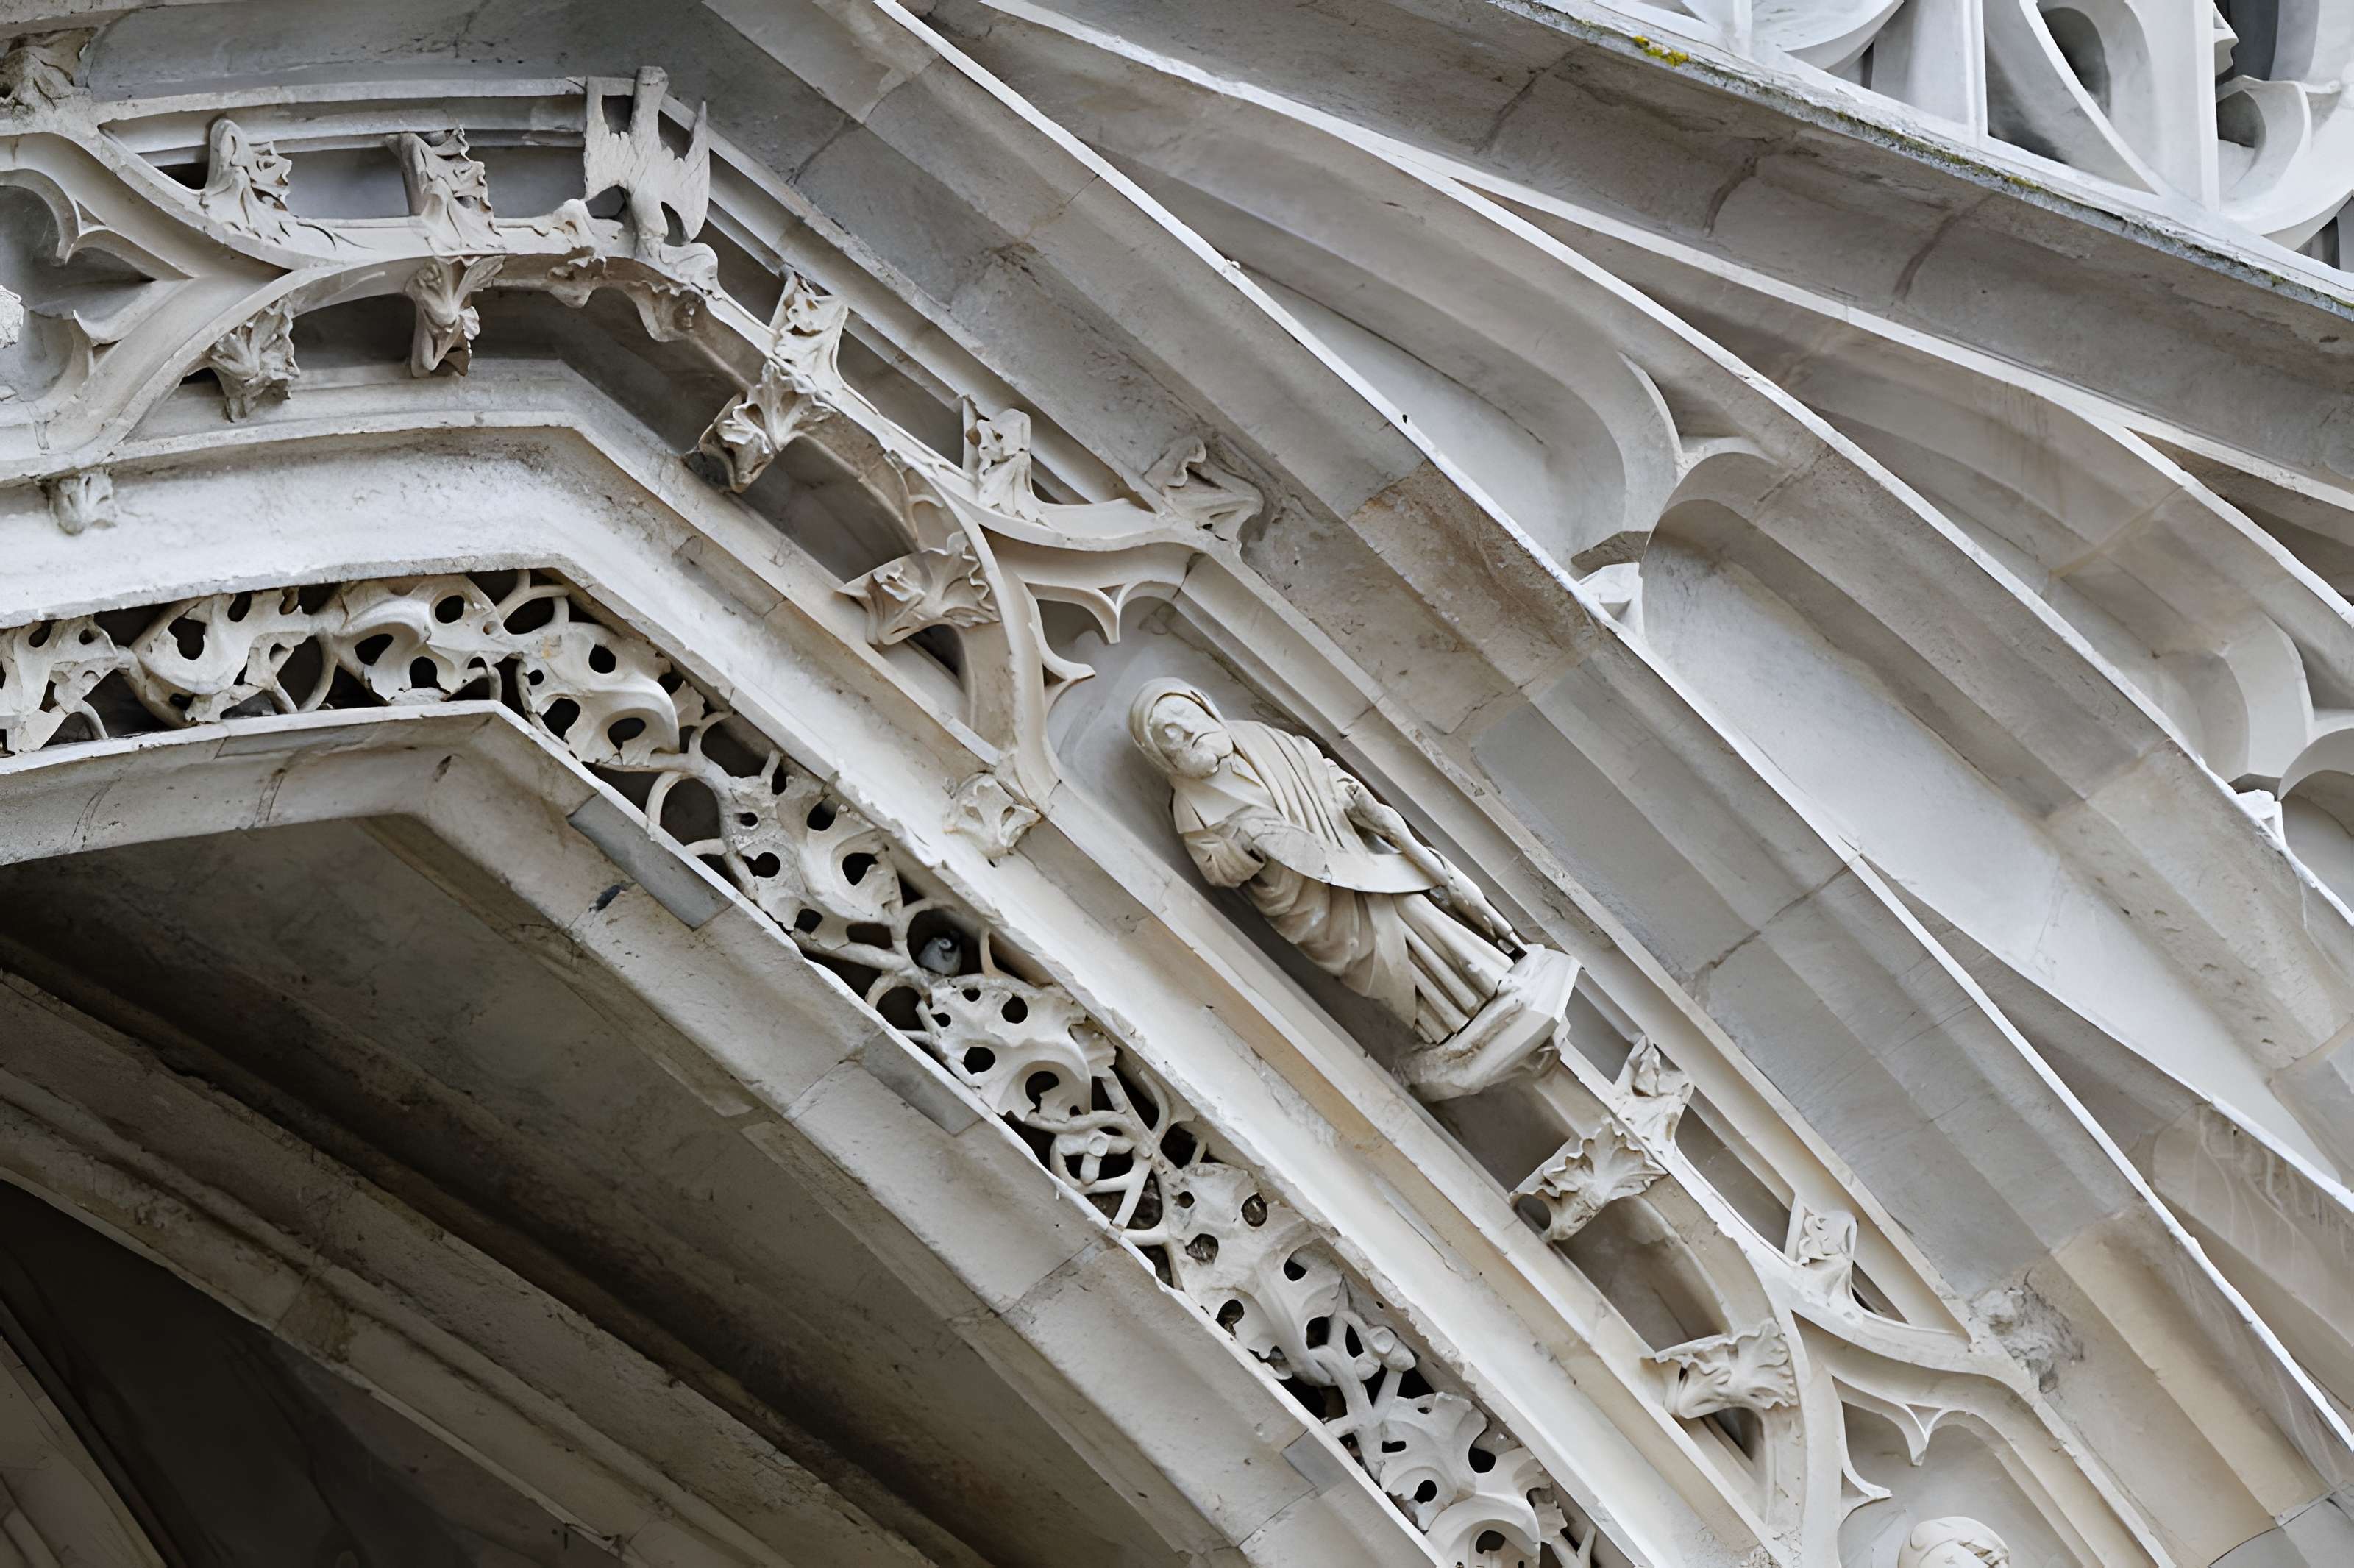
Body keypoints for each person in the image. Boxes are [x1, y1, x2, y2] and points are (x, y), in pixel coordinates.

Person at [1128, 678, 1523, 1044]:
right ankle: (1449, 1021)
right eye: (1170, 734)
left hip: (1357, 859)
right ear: (1163, 756)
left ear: (1204, 706)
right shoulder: (1189, 807)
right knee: (1381, 960)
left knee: (1417, 914)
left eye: (1185, 715)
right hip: (1311, 905)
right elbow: (1216, 868)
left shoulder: (1260, 738)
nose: (1187, 732)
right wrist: (1246, 845)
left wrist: (1344, 793)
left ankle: (1486, 983)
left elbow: (1316, 767)